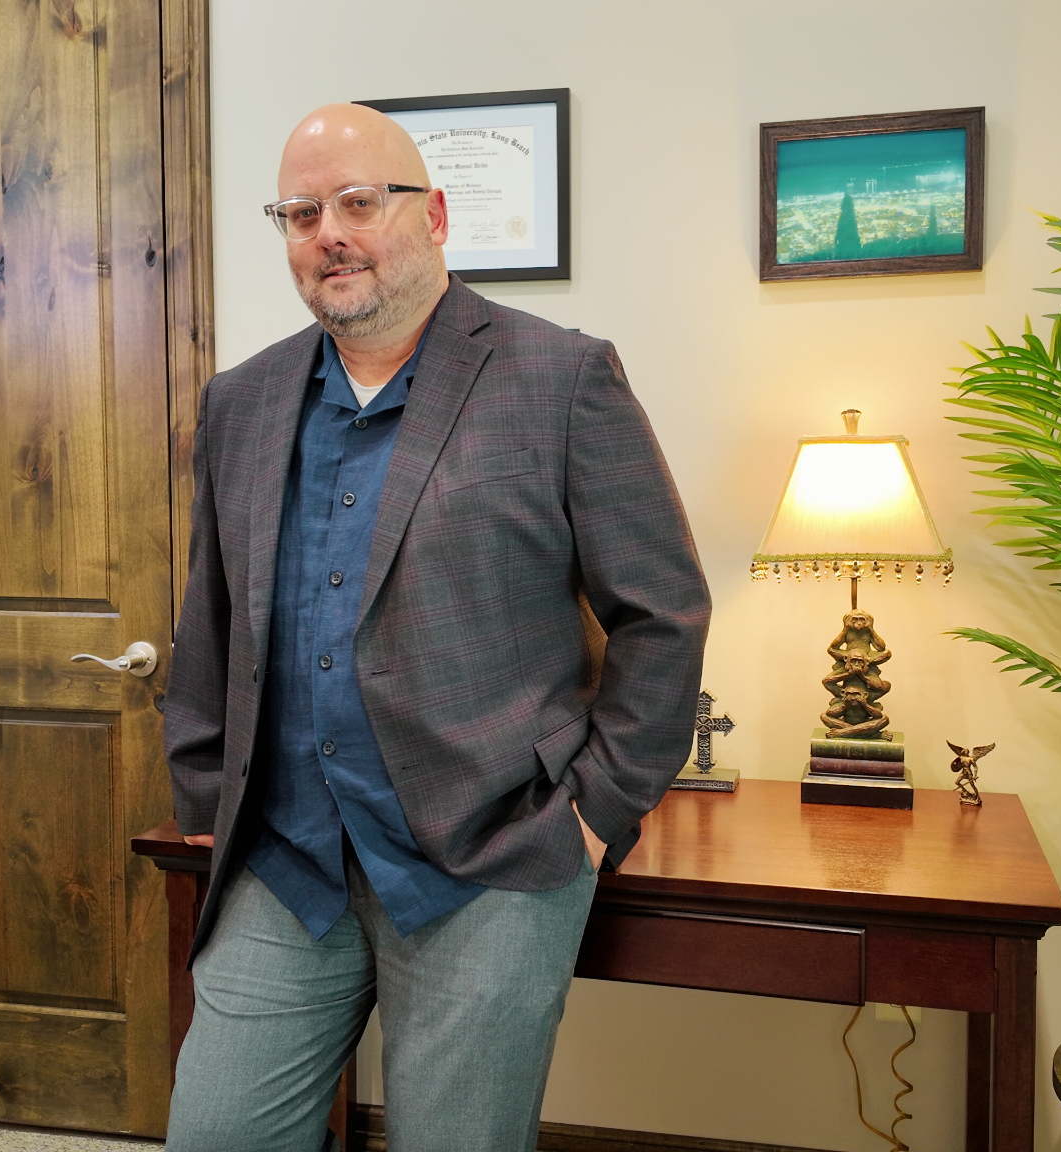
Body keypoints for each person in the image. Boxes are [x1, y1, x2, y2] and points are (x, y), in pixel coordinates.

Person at [161, 103, 710, 1152]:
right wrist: (200, 788)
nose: (330, 233)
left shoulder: (560, 378)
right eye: (301, 213)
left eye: (359, 202)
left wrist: (594, 816)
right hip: (287, 857)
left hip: (492, 855)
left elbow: (662, 613)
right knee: (215, 1132)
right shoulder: (241, 400)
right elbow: (211, 610)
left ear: (436, 216)